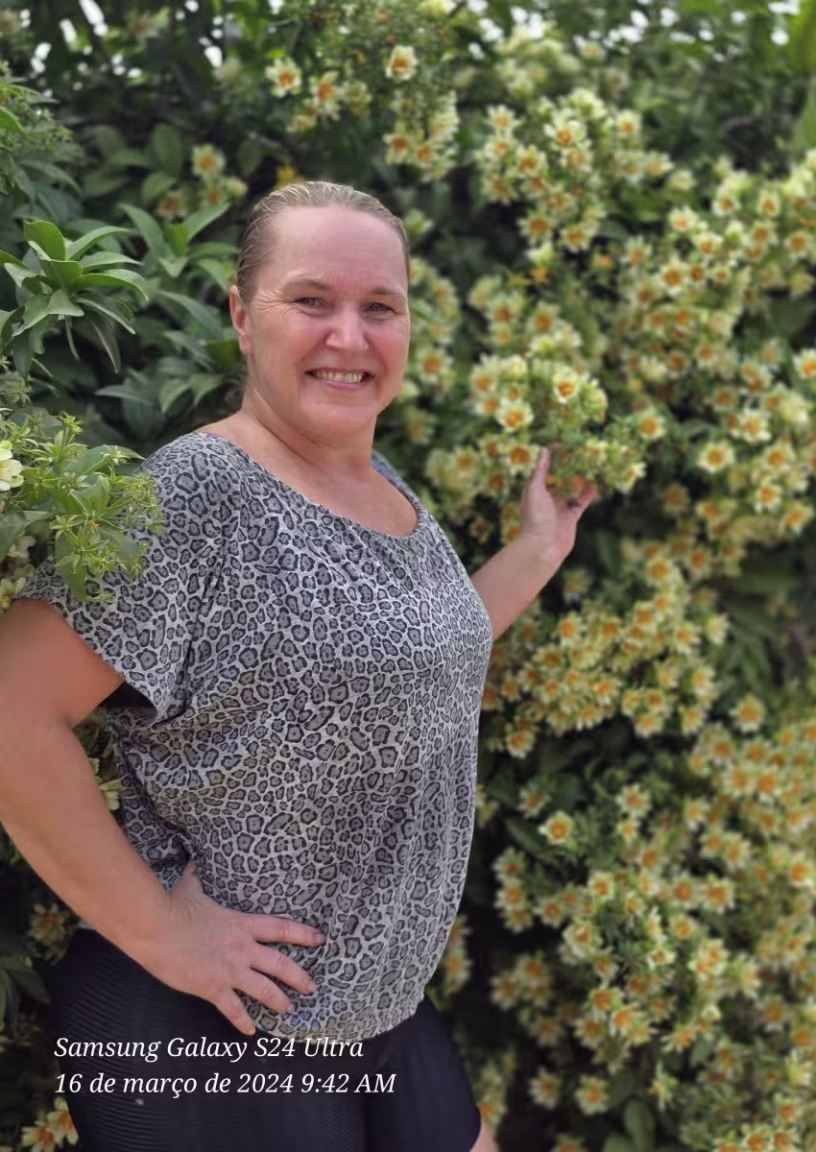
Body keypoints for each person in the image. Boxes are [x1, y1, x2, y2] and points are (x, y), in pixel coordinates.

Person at [0, 181, 595, 1152]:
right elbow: (11, 711)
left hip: (373, 1003)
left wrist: (536, 550)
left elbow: (413, 660)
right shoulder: (195, 497)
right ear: (243, 316)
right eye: (312, 300)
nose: (349, 337)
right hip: (212, 1019)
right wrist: (163, 933)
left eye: (380, 307)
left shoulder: (385, 490)